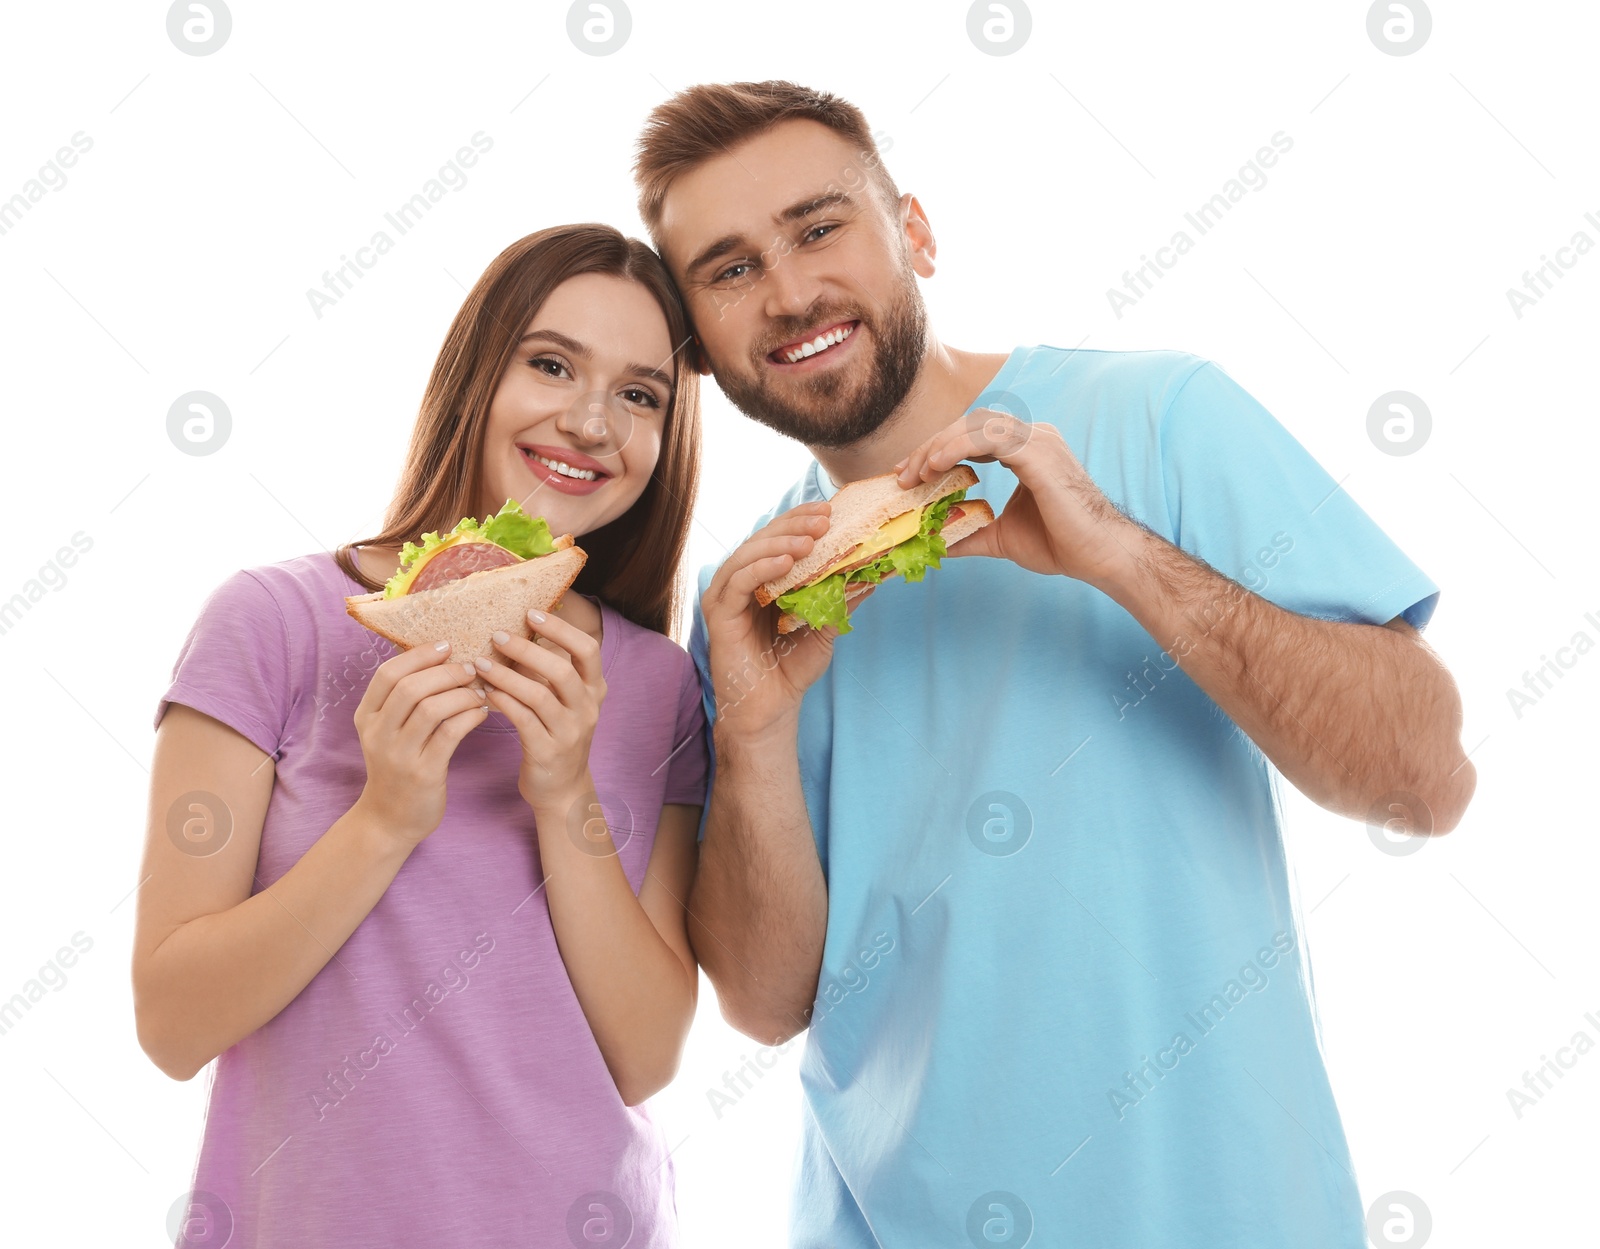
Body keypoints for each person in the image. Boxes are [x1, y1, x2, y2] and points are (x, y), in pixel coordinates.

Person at [632, 81, 1476, 1248]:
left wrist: (1118, 555)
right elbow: (767, 1003)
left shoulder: (1161, 413)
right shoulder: (749, 590)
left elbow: (1422, 780)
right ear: (699, 345)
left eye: (818, 228)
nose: (788, 293)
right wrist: (757, 731)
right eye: (727, 270)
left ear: (913, 232)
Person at [133, 224, 708, 1246]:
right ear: (476, 375)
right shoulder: (270, 623)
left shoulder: (659, 682)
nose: (588, 422)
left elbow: (644, 1056)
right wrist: (386, 817)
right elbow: (173, 1024)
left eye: (639, 395)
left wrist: (565, 792)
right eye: (550, 364)